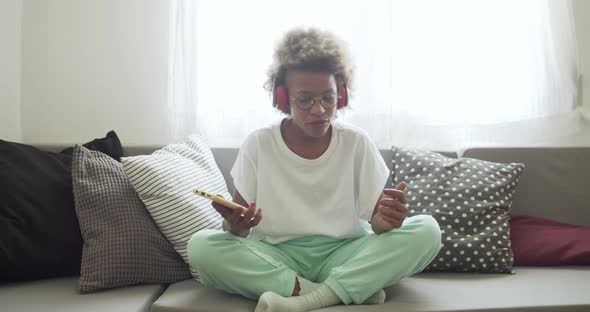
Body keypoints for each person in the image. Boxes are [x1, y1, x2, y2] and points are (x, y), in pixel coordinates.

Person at [187, 27, 442, 312]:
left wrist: (387, 221)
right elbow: (239, 231)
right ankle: (342, 290)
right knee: (201, 246)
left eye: (328, 98)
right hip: (275, 255)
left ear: (341, 96)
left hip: (344, 253)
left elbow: (378, 226)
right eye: (305, 99)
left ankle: (306, 300)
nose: (319, 110)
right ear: (283, 100)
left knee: (428, 230)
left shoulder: (357, 142)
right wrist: (236, 224)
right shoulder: (258, 143)